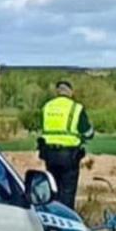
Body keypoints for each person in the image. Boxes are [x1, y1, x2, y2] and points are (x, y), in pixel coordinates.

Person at [38, 81, 94, 209]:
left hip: (50, 156)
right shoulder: (76, 108)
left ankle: (52, 218)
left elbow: (43, 128)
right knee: (68, 193)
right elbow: (87, 132)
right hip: (69, 156)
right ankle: (66, 221)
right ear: (70, 92)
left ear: (57, 91)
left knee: (53, 189)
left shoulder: (47, 107)